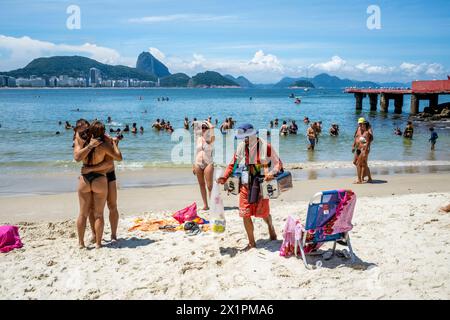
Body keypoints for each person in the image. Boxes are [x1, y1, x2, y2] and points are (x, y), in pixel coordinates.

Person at [217, 124, 282, 251]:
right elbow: (232, 165)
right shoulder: (242, 147)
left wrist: (271, 173)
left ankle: (271, 227)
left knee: (263, 213)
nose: (244, 140)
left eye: (246, 137)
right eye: (243, 138)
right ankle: (252, 243)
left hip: (262, 183)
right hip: (246, 183)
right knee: (245, 213)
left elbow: (278, 164)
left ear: (253, 135)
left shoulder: (266, 147)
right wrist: (224, 178)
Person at [73, 120, 122, 249]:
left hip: (107, 174)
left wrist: (89, 169)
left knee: (112, 205)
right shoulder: (83, 139)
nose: (83, 132)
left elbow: (110, 163)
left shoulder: (105, 140)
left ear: (89, 129)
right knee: (92, 210)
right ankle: (96, 236)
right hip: (99, 178)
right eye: (81, 130)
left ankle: (113, 235)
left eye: (85, 129)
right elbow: (77, 156)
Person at [193, 121, 215, 210]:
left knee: (210, 186)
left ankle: (213, 204)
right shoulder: (198, 138)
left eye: (206, 128)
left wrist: (210, 126)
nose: (204, 129)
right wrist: (193, 165)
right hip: (198, 163)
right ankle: (205, 205)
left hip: (208, 163)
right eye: (203, 127)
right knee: (201, 184)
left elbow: (210, 137)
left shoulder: (211, 138)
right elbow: (196, 152)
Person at [352, 118, 373, 182]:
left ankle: (360, 179)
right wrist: (353, 146)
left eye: (362, 124)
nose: (361, 125)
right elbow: (356, 137)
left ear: (365, 124)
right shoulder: (358, 129)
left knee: (359, 164)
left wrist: (365, 151)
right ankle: (368, 177)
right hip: (358, 148)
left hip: (364, 149)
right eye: (360, 124)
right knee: (355, 162)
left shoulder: (367, 132)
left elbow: (368, 142)